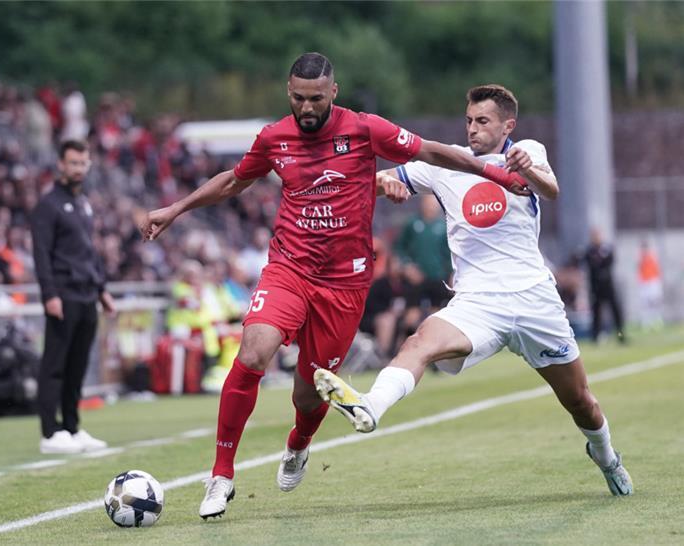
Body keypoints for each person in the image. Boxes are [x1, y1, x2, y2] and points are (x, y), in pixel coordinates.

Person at [143, 54, 532, 520]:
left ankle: (298, 444)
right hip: (289, 268)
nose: (305, 108)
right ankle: (221, 474)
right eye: (296, 98)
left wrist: (493, 172)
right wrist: (175, 209)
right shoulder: (273, 137)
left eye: (314, 99)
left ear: (334, 92)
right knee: (253, 351)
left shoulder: (366, 129)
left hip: (344, 284)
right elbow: (233, 182)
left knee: (308, 395)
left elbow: (431, 151)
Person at [315, 84, 633, 497]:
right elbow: (382, 180)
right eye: (468, 121)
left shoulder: (526, 151)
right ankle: (370, 407)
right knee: (419, 341)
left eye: (482, 121)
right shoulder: (446, 161)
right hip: (477, 303)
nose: (473, 129)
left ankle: (605, 455)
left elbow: (550, 189)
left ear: (507, 125)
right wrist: (385, 183)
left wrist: (527, 169)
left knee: (580, 402)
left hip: (534, 298)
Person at [30, 140, 114, 454]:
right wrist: (49, 294)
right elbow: (41, 254)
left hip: (87, 294)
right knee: (55, 364)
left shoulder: (84, 204)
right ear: (61, 165)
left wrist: (102, 289)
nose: (78, 168)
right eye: (73, 163)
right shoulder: (48, 205)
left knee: (78, 365)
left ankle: (72, 426)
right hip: (62, 295)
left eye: (83, 163)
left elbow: (88, 252)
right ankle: (50, 432)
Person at [583, 228, 626, 343]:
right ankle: (595, 336)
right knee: (596, 312)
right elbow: (589, 264)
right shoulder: (589, 251)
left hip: (608, 286)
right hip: (595, 287)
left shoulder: (606, 249)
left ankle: (620, 334)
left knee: (615, 310)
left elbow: (610, 262)